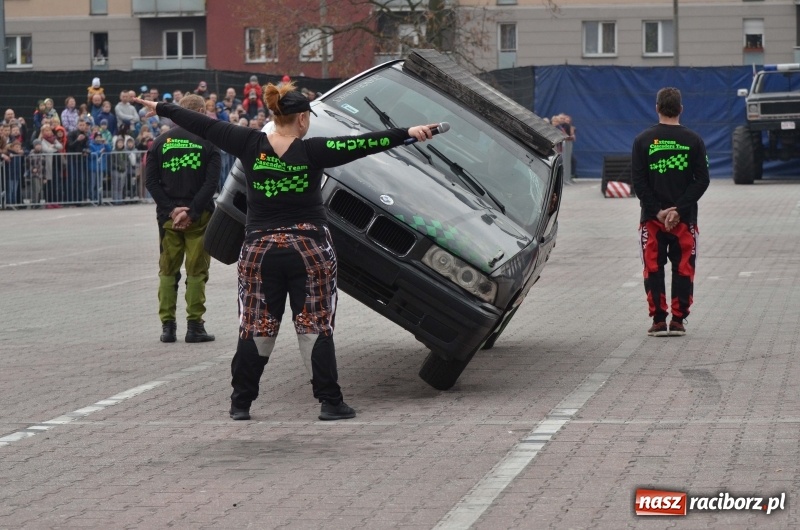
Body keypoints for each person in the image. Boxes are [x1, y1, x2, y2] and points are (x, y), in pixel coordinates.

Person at [134, 82, 437, 422]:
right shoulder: (314, 151)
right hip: (309, 250)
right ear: (303, 120)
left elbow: (201, 123)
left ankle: (241, 403)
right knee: (314, 325)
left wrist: (161, 107)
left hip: (260, 250)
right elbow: (366, 143)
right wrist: (410, 133)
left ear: (275, 116)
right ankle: (329, 402)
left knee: (256, 325)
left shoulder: (248, 142)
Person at [631, 87, 710, 337]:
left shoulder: (642, 140)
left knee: (652, 267)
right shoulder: (694, 140)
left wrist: (658, 212)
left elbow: (639, 182)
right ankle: (678, 320)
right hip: (684, 219)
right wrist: (679, 209)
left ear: (656, 108)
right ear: (681, 109)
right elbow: (702, 179)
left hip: (652, 220)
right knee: (684, 267)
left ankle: (658, 320)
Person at [143, 94, 220, 345]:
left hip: (168, 221)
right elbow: (211, 184)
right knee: (197, 272)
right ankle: (194, 326)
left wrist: (172, 210)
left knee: (167, 271)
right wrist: (192, 211)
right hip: (199, 218)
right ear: (199, 111)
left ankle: (168, 327)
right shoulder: (209, 142)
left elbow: (151, 182)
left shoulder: (159, 142)